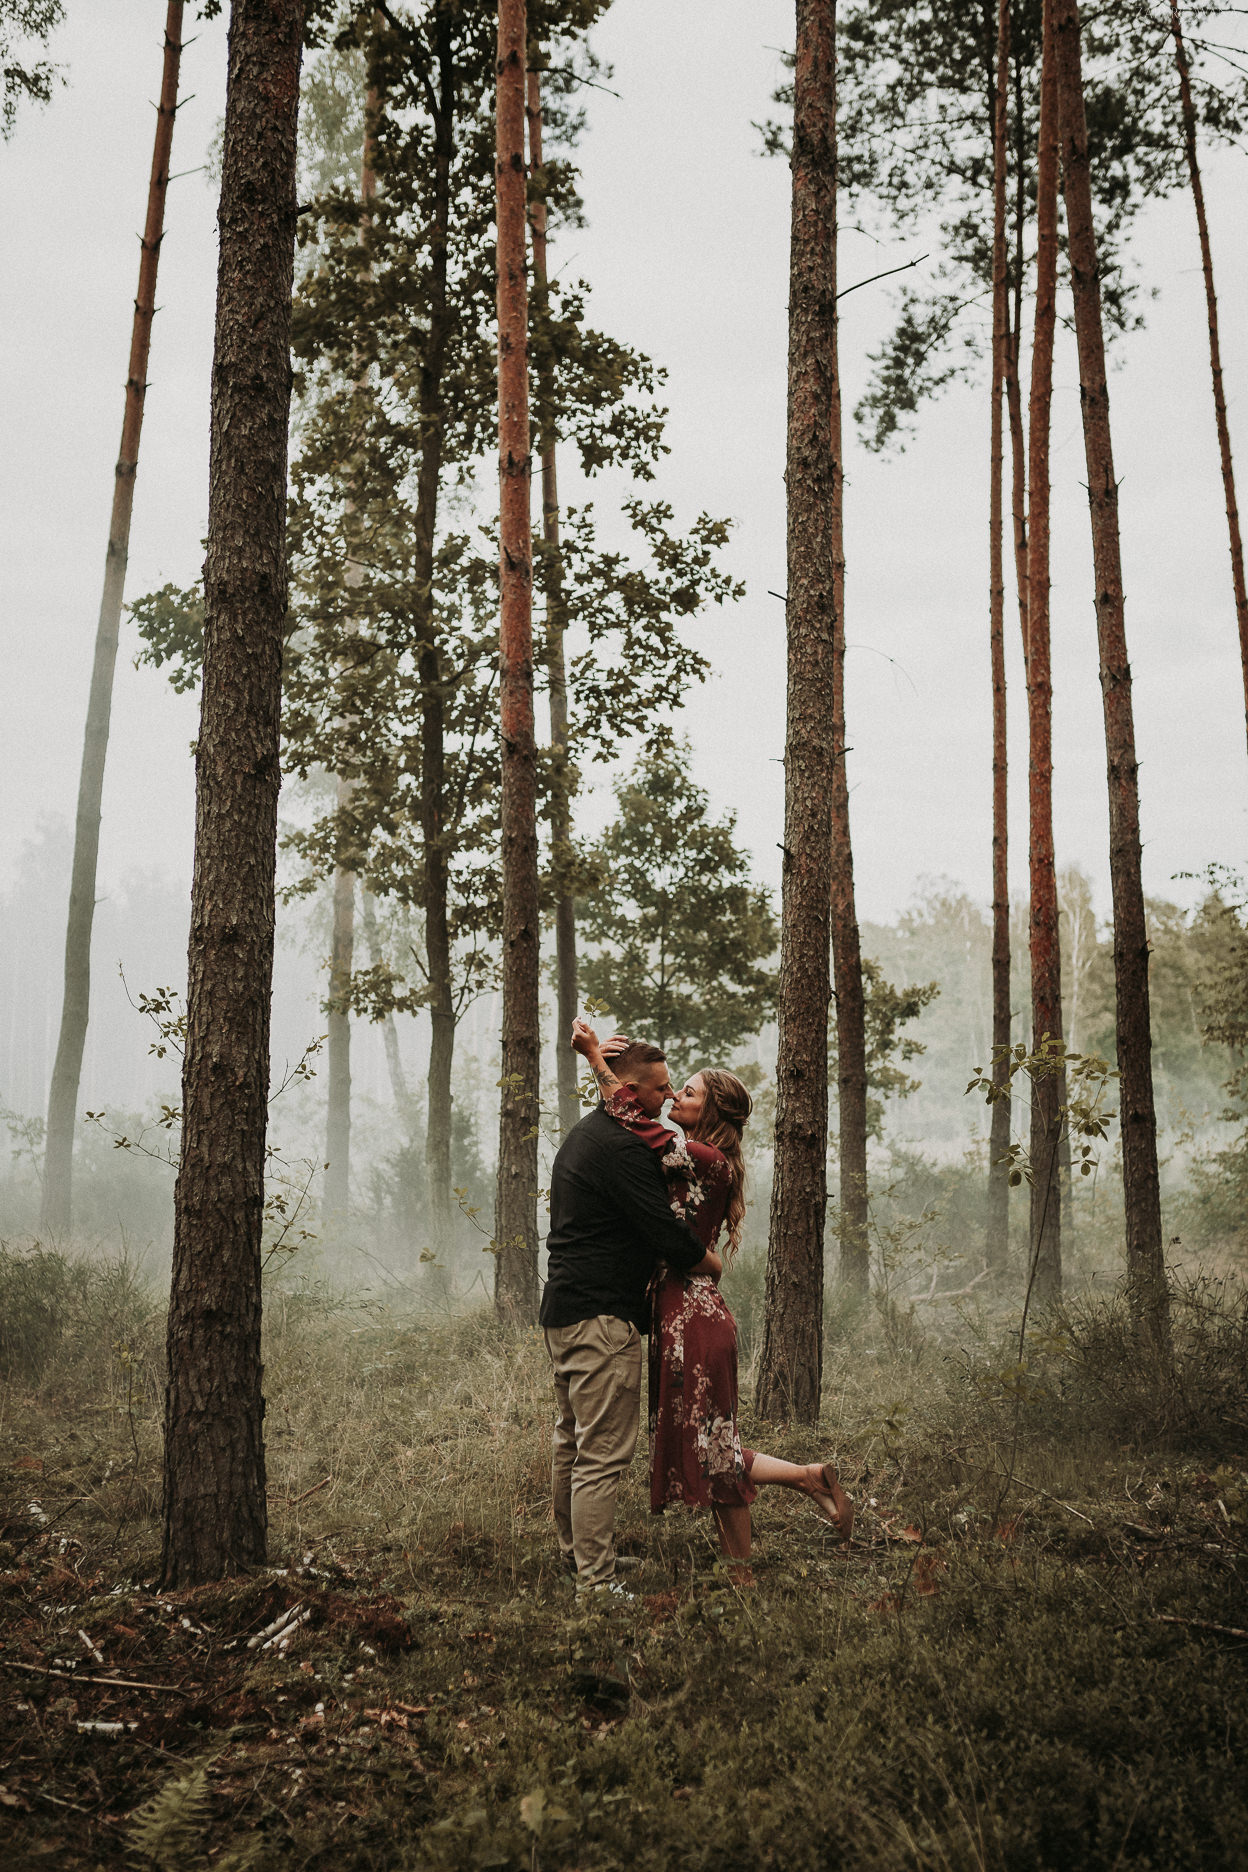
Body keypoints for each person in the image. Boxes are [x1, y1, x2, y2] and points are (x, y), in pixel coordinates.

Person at [572, 1020, 853, 1577]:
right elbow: (630, 1121)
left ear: (712, 1113)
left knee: (713, 1447)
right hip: (682, 1312)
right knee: (708, 1443)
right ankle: (801, 1487)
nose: (676, 1095)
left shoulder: (700, 1156)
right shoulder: (698, 1156)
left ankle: (752, 1559)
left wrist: (594, 1061)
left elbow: (628, 1117)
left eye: (690, 1092)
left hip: (692, 1317)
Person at [540, 1038, 720, 1600]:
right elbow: (663, 1231)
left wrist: (596, 1054)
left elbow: (617, 1087)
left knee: (572, 1441)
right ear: (635, 1092)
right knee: (600, 1454)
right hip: (601, 1319)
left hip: (565, 1310)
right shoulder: (620, 1147)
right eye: (663, 1088)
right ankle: (595, 1584)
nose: (669, 1098)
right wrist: (708, 1261)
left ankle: (578, 1561)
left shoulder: (591, 1132)